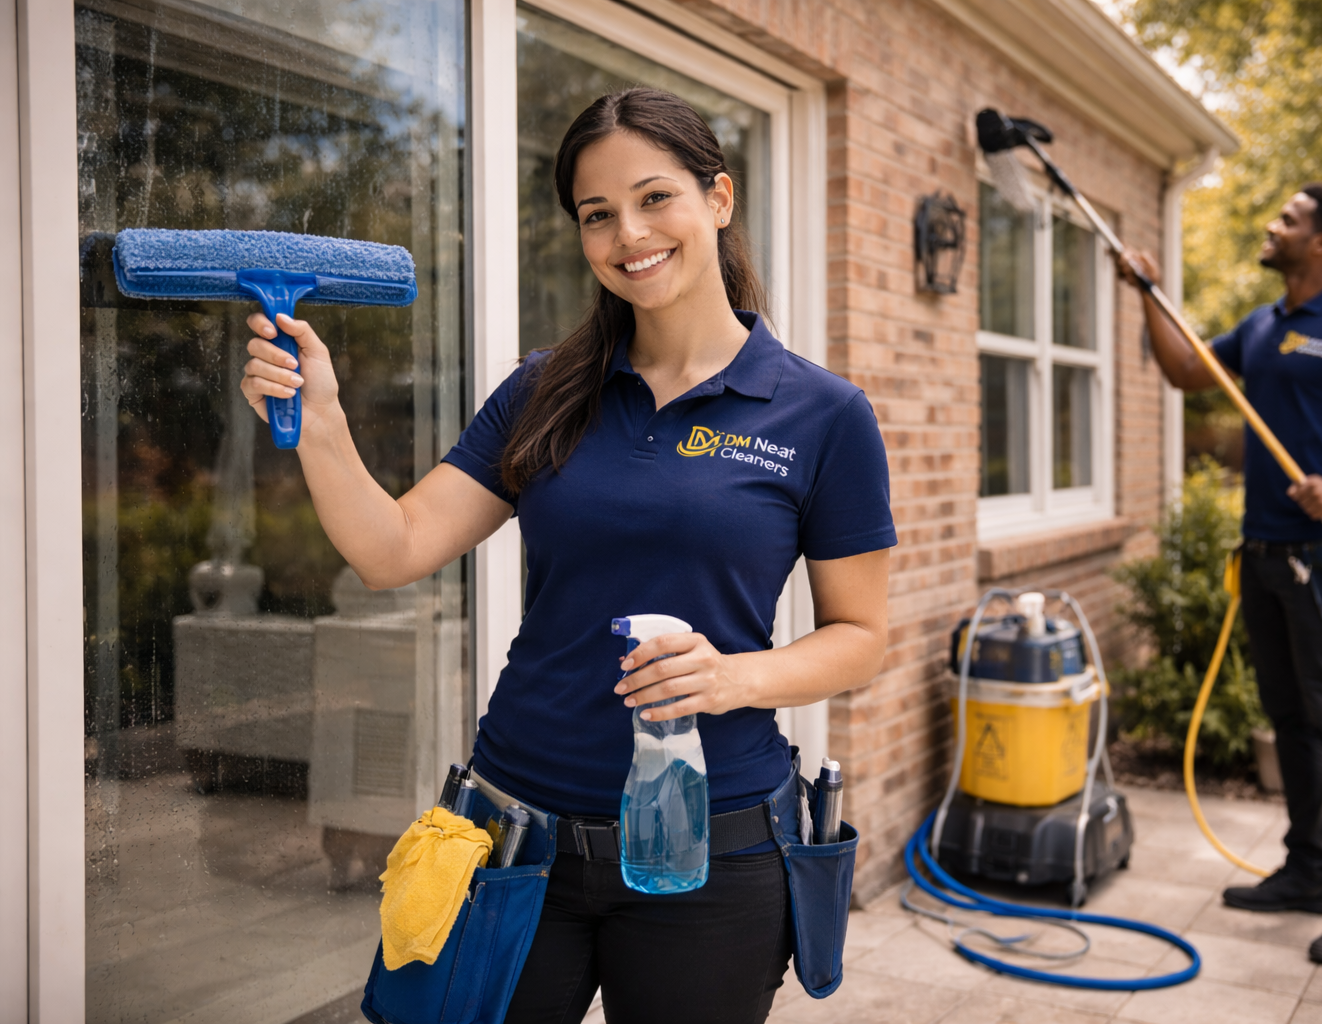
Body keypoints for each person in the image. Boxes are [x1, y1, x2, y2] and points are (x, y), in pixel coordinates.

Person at [240, 87, 894, 1023]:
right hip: (515, 839)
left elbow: (862, 637)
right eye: (598, 214)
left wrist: (732, 678)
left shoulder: (823, 415)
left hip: (710, 855)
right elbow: (395, 550)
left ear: (719, 198)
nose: (628, 234)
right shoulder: (544, 390)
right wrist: (323, 422)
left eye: (654, 197)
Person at [1119, 184, 1322, 966]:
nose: (1273, 225)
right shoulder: (1263, 325)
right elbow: (1188, 370)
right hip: (1261, 555)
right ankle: (1308, 869)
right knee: (1288, 720)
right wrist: (1149, 294)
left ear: (1321, 242)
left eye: (1289, 219)